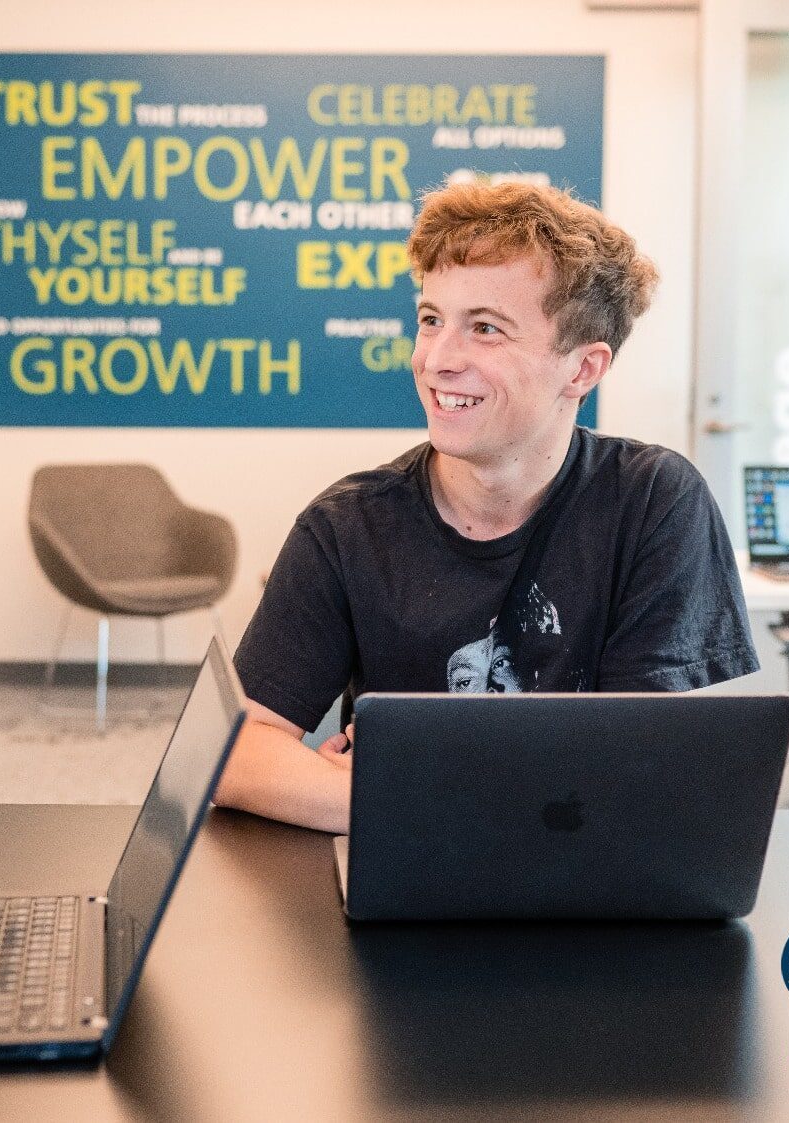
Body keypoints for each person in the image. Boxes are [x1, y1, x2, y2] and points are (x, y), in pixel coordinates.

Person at [216, 180, 758, 834]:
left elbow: (636, 773)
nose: (437, 360)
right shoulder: (347, 526)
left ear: (583, 369)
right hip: (408, 897)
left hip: (585, 895)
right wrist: (377, 800)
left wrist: (401, 790)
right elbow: (235, 755)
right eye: (430, 319)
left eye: (485, 328)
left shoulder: (653, 503)